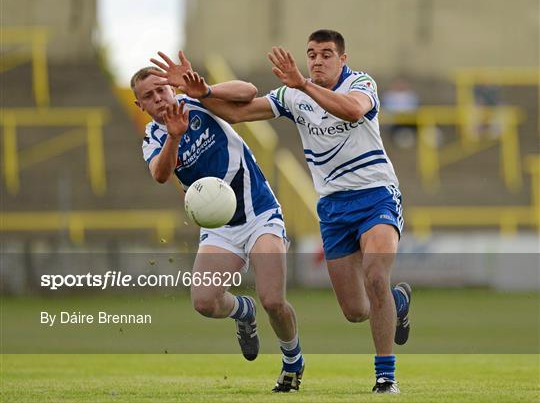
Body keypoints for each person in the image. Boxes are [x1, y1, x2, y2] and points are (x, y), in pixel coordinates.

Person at [152, 29, 412, 394]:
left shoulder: (360, 83)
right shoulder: (292, 95)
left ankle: (385, 377)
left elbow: (352, 110)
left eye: (326, 54)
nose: (318, 60)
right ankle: (397, 301)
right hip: (334, 207)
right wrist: (203, 93)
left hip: (376, 195)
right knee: (356, 310)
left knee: (374, 274)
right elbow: (240, 113)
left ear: (343, 58)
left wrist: (303, 84)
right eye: (312, 54)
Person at [131, 52, 304, 392]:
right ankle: (243, 311)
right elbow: (160, 175)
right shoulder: (153, 137)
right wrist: (174, 136)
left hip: (260, 213)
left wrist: (205, 89)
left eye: (161, 89)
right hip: (220, 228)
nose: (158, 98)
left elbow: (248, 90)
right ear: (141, 106)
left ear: (170, 87)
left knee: (274, 299)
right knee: (204, 302)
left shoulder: (196, 102)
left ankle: (292, 359)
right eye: (148, 97)